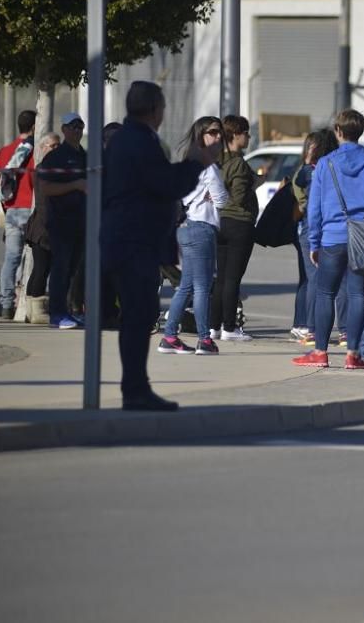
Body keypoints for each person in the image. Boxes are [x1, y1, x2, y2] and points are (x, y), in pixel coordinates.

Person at [102, 80, 209, 412]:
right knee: (138, 314)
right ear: (153, 109)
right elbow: (164, 183)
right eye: (162, 107)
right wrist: (195, 162)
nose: (163, 113)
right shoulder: (139, 141)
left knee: (140, 313)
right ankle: (135, 390)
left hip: (131, 240)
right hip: (133, 241)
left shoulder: (129, 139)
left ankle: (136, 387)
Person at [292, 108, 364, 370]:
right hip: (363, 238)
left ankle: (320, 352)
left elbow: (313, 209)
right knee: (357, 294)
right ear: (361, 132)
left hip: (332, 238)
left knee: (325, 293)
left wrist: (314, 242)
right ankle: (353, 354)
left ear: (338, 131)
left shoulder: (326, 164)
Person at [156, 116, 228, 356]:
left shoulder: (189, 162)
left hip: (185, 227)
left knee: (186, 285)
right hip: (201, 227)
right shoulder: (209, 168)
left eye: (220, 134)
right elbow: (222, 200)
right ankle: (204, 339)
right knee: (202, 286)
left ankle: (169, 336)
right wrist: (211, 197)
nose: (218, 137)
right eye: (213, 132)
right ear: (201, 136)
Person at [210, 114, 260, 341]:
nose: (248, 136)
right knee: (232, 278)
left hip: (220, 222)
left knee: (221, 278)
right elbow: (238, 196)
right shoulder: (239, 163)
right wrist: (252, 184)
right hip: (239, 223)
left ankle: (214, 326)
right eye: (245, 132)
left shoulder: (217, 160)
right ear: (235, 135)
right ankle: (229, 327)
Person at [39, 112, 88, 329]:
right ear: (64, 130)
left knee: (72, 270)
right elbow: (46, 188)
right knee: (60, 268)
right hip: (61, 222)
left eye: (79, 127)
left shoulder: (85, 156)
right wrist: (75, 185)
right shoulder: (56, 157)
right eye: (72, 127)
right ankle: (56, 314)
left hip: (81, 221)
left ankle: (66, 311)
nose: (76, 131)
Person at [290, 128, 336, 346]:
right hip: (317, 227)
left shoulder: (313, 169)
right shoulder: (319, 169)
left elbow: (298, 182)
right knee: (316, 281)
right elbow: (299, 182)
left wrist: (308, 160)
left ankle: (310, 327)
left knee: (313, 280)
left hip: (311, 227)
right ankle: (311, 327)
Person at [0, 110, 37, 320]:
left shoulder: (5, 151)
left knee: (11, 257)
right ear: (34, 126)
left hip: (11, 208)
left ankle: (6, 304)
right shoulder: (35, 150)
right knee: (34, 258)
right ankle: (27, 301)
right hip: (30, 209)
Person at [22, 133, 61, 316]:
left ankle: (32, 310)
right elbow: (43, 202)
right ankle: (36, 311)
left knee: (41, 269)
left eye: (57, 145)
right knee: (41, 268)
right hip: (43, 227)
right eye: (51, 146)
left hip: (45, 225)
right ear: (42, 148)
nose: (55, 149)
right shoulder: (44, 169)